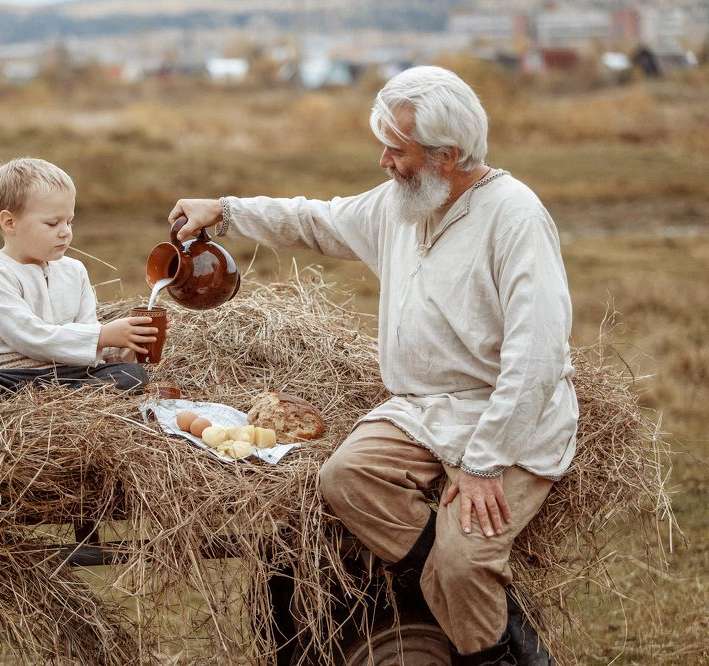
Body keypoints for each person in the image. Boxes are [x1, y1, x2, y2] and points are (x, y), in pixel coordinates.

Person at [168, 66, 574, 665]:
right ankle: (448, 588)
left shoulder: (514, 216)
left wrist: (484, 464)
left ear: (449, 154)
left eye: (396, 149)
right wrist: (224, 211)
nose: (384, 160)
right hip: (423, 412)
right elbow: (316, 219)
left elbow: (535, 356)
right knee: (345, 479)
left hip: (508, 416)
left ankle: (501, 643)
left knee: (464, 564)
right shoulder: (399, 205)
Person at [0, 157, 156, 409]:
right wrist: (103, 335)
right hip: (1, 377)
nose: (65, 231)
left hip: (63, 376)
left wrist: (125, 345)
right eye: (52, 223)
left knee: (130, 374)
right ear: (10, 223)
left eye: (69, 221)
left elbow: (88, 331)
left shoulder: (75, 271)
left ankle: (55, 405)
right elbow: (28, 335)